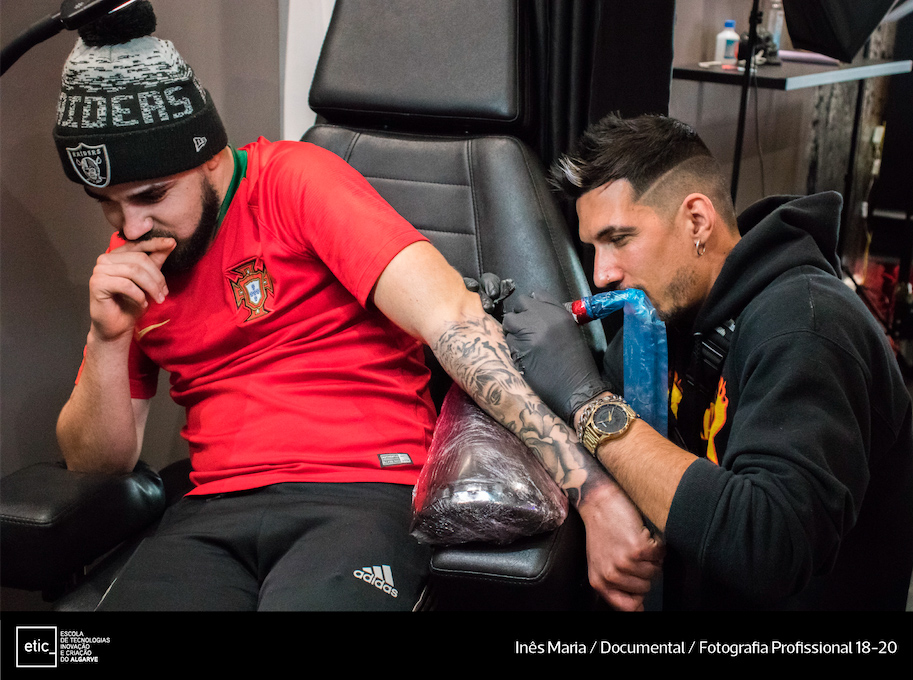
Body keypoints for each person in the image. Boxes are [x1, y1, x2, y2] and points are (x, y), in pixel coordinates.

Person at [51, 3, 662, 611]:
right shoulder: (128, 269)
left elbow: (453, 321)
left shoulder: (293, 181)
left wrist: (595, 495)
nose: (131, 225)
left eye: (153, 195)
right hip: (212, 508)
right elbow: (99, 462)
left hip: (359, 488)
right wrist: (107, 339)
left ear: (209, 155)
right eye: (107, 203)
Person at [503, 113, 913, 610]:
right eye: (594, 247)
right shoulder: (669, 311)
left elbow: (767, 547)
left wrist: (587, 403)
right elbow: (604, 426)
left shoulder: (809, 327)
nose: (601, 274)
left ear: (697, 221)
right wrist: (597, 503)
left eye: (619, 239)